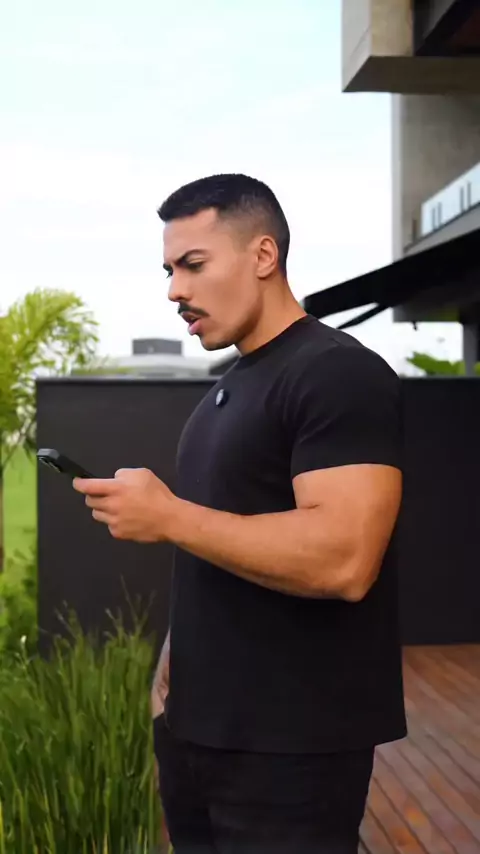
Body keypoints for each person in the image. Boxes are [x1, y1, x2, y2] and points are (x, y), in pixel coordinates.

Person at [74, 173, 407, 853]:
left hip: (291, 752)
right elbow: (219, 547)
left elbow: (345, 558)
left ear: (263, 255)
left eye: (193, 264)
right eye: (169, 271)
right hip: (198, 738)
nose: (175, 290)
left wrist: (169, 517)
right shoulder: (225, 393)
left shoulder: (337, 373)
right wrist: (170, 683)